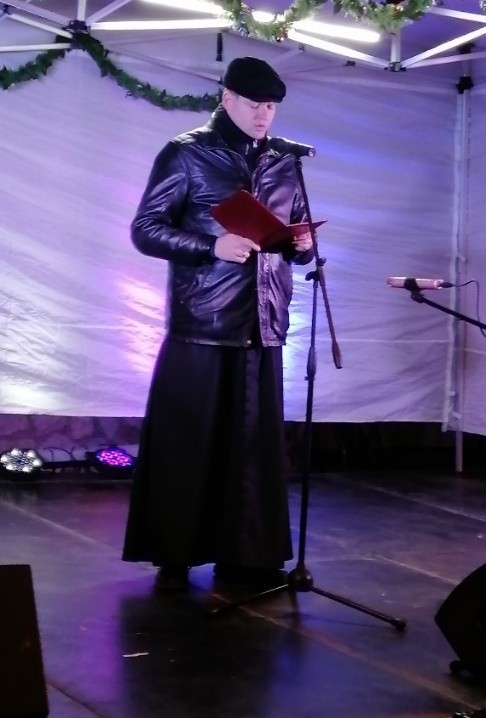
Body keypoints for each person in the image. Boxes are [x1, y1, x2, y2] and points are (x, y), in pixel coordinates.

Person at [122, 56, 314, 592]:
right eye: (255, 104)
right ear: (227, 98)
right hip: (203, 321)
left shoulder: (285, 162)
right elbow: (145, 229)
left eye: (271, 106)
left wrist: (301, 244)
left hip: (264, 319)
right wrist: (211, 246)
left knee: (253, 446)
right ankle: (175, 552)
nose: (264, 115)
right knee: (190, 438)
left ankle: (249, 554)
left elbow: (293, 235)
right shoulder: (186, 153)